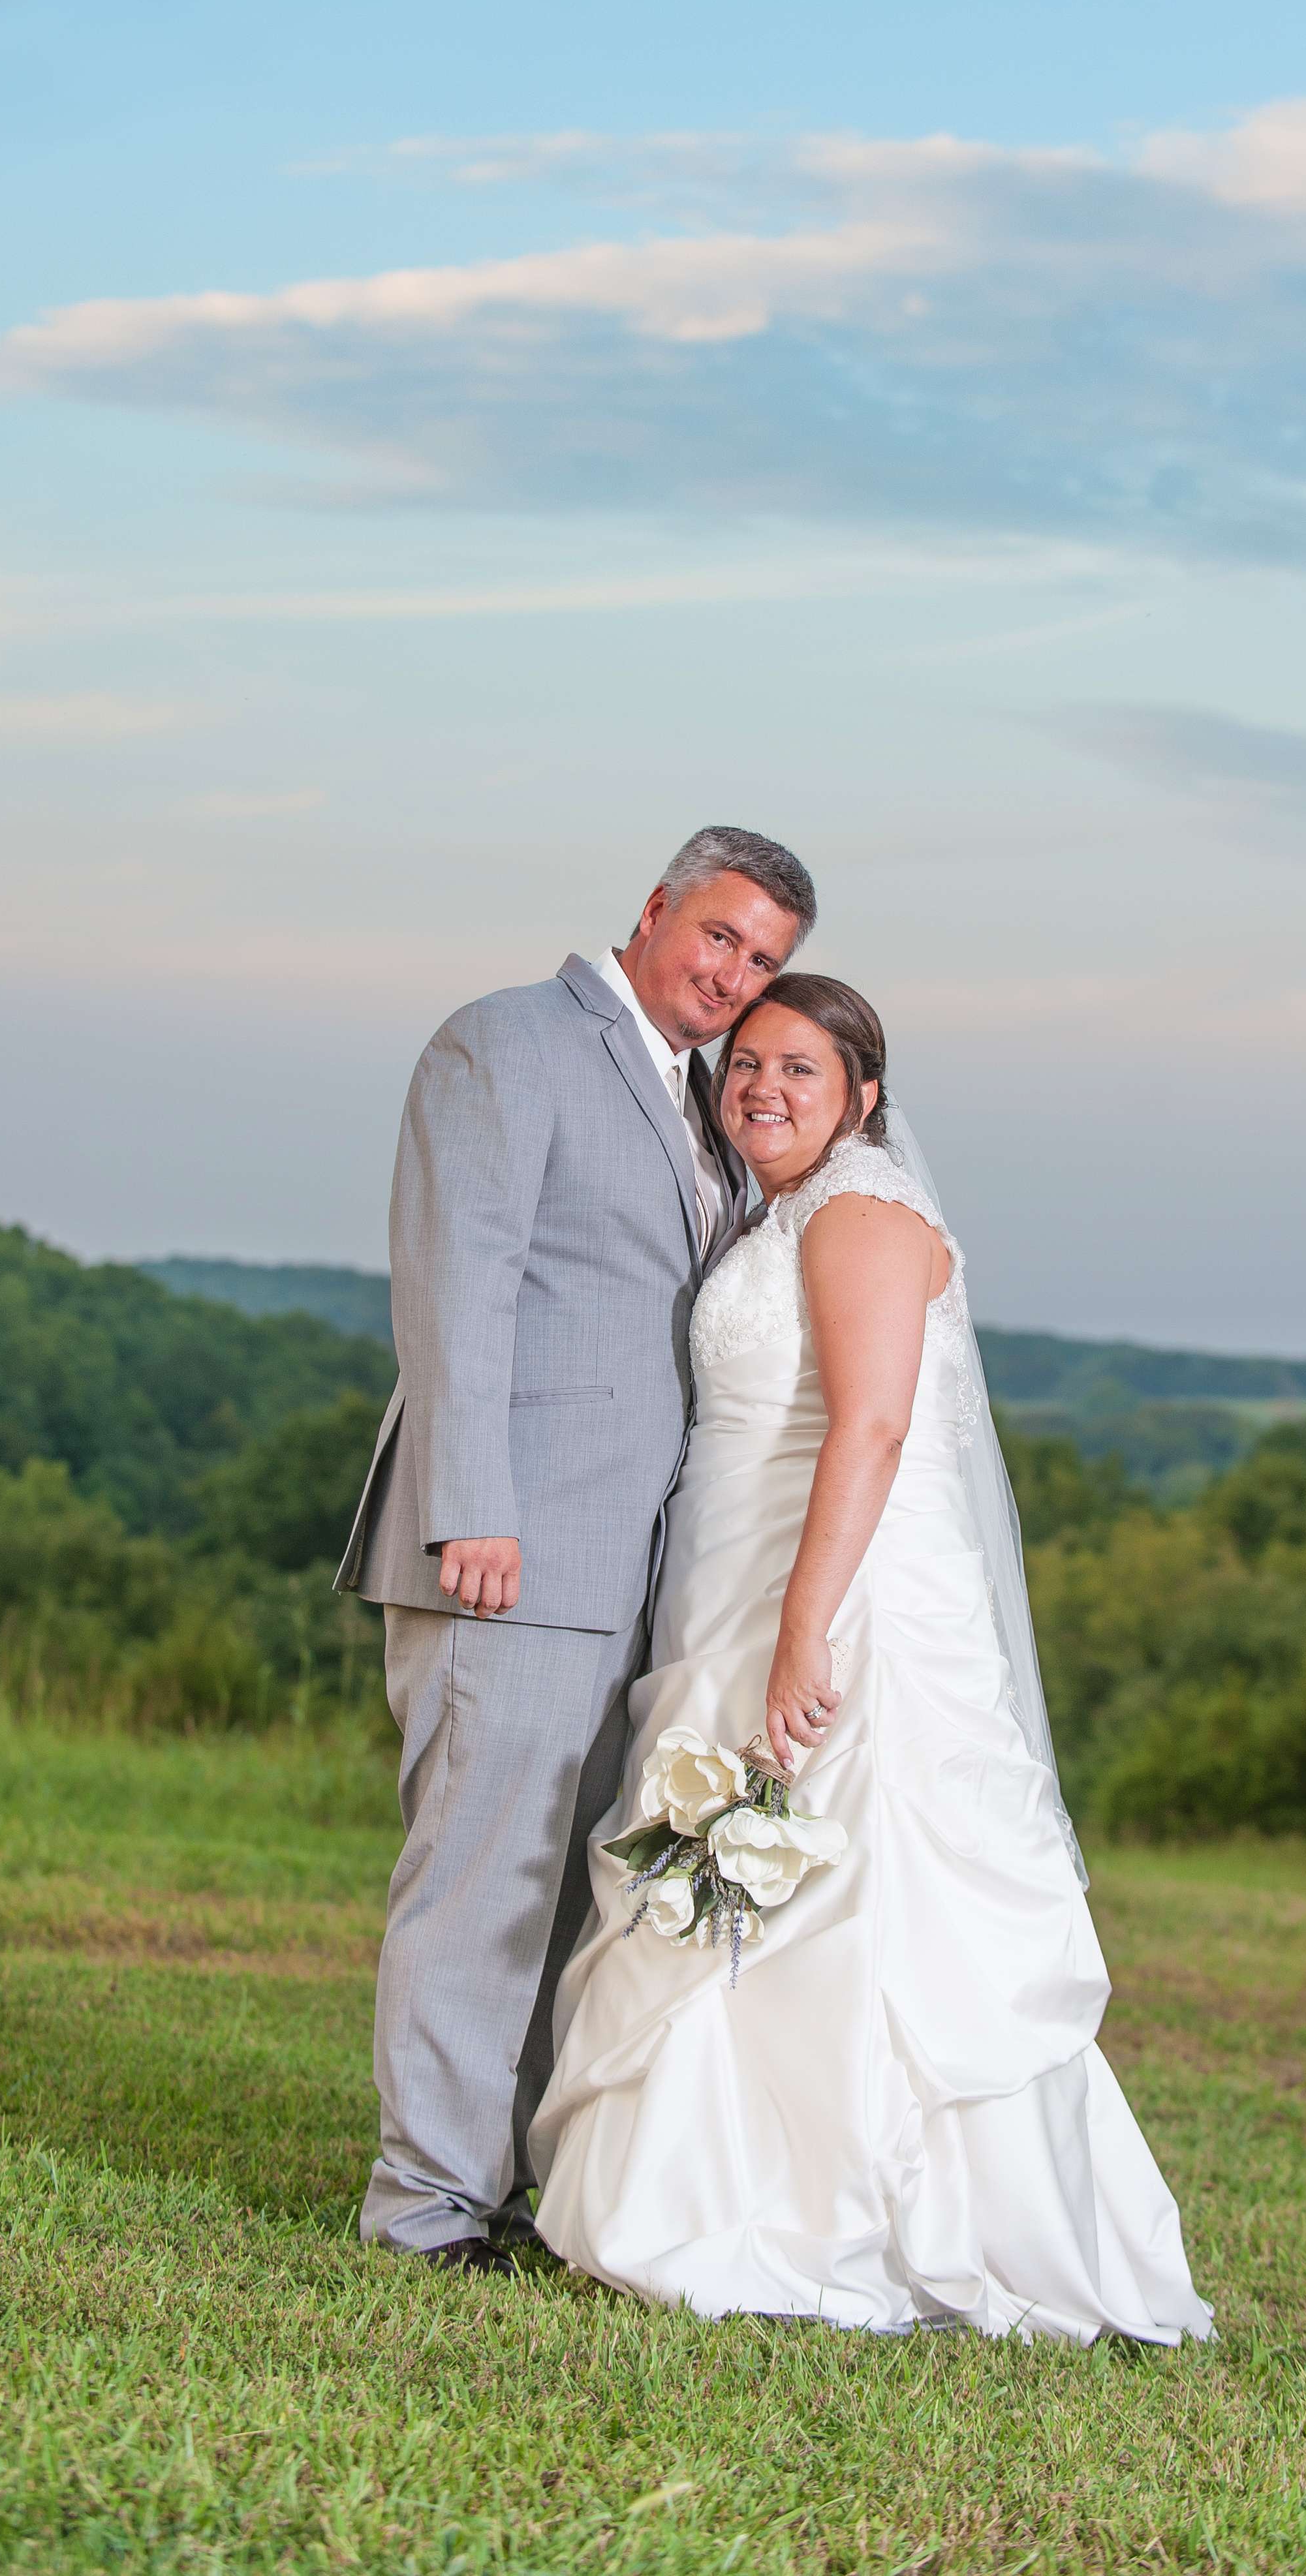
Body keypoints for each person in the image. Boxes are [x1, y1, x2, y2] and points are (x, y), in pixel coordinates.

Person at [530, 974, 1213, 2342]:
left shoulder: (862, 1215)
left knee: (857, 1886)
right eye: (746, 1065)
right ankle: (721, 2182)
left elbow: (875, 1431)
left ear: (864, 1097)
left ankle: (856, 2222)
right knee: (739, 1870)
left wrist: (802, 1630)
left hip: (838, 1597)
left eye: (800, 1067)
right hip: (735, 1585)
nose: (764, 1087)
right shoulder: (782, 1216)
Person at [335, 826, 816, 2272]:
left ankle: (520, 2189)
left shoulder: (700, 1100)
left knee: (578, 1900)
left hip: (646, 1567)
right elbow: (457, 1280)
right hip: (514, 1542)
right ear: (658, 906)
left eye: (767, 962)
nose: (736, 976)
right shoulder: (508, 1043)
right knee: (480, 1886)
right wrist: (470, 1500)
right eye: (722, 936)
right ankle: (424, 2211)